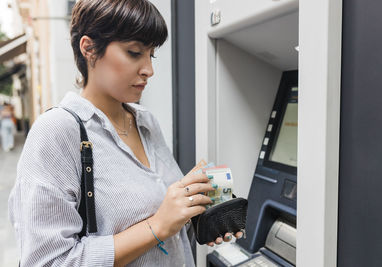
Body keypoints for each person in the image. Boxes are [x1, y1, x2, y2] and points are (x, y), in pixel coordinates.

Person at [8, 0, 242, 266]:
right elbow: (47, 261)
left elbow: (164, 220)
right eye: (134, 52)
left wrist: (194, 210)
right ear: (89, 48)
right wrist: (157, 226)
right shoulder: (57, 132)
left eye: (151, 55)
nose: (148, 70)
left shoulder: (146, 122)